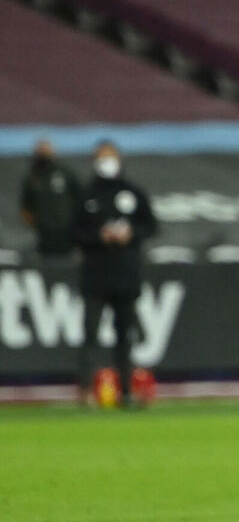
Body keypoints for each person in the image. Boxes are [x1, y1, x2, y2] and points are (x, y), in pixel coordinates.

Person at [72, 141, 156, 406]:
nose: (107, 163)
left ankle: (127, 391)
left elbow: (150, 225)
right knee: (90, 333)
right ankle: (86, 390)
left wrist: (132, 234)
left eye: (110, 158)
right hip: (95, 276)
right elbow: (73, 232)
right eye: (102, 158)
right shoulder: (87, 196)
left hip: (125, 274)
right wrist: (99, 236)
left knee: (124, 336)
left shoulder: (133, 193)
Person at [20, 139, 81, 258]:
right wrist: (38, 224)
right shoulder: (32, 177)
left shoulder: (65, 173)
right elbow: (26, 206)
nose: (44, 154)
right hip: (44, 234)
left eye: (46, 151)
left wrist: (75, 221)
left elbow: (79, 197)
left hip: (67, 232)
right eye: (41, 151)